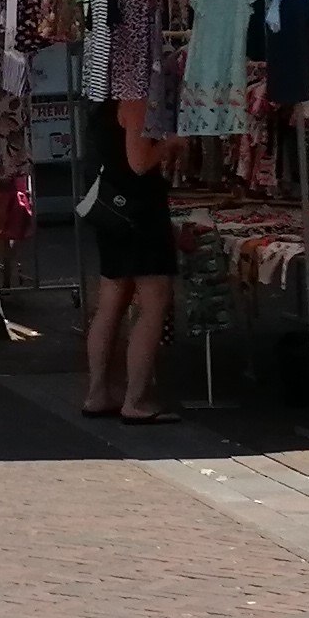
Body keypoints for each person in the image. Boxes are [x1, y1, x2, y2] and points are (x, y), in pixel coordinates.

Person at [80, 96, 178, 422]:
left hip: (112, 209)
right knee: (153, 302)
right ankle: (135, 401)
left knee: (111, 302)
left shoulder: (99, 104)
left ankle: (98, 393)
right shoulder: (133, 101)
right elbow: (138, 162)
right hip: (139, 211)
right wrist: (171, 144)